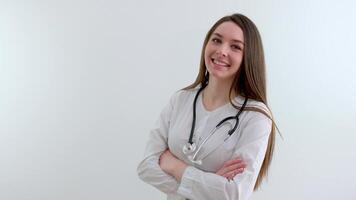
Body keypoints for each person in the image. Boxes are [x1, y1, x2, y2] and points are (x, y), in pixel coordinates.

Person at [137, 13, 277, 200]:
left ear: (249, 57)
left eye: (235, 46)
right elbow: (146, 167)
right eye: (216, 40)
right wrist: (208, 186)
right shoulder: (181, 100)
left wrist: (175, 166)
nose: (222, 51)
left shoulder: (256, 117)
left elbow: (234, 194)